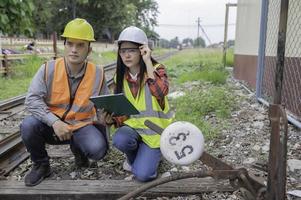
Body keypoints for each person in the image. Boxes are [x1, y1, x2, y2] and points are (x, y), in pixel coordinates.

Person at [20, 18, 110, 187]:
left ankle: (80, 152)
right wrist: (54, 122)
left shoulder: (98, 73)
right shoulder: (48, 69)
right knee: (28, 125)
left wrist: (106, 118)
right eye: (70, 44)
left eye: (80, 45)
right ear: (65, 45)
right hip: (51, 126)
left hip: (81, 126)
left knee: (97, 149)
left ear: (89, 49)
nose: (74, 50)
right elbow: (31, 100)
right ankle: (41, 165)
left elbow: (104, 104)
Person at [112, 26, 174, 182]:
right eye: (122, 50)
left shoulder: (157, 70)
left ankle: (153, 156)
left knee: (143, 175)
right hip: (134, 130)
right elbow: (124, 111)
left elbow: (160, 92)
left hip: (155, 133)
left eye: (131, 50)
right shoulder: (119, 77)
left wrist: (147, 62)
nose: (126, 55)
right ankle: (138, 157)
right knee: (120, 139)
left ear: (142, 50)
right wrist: (111, 117)